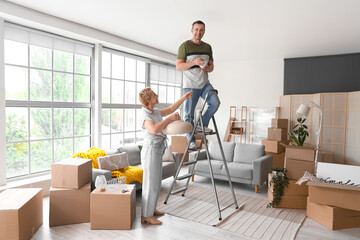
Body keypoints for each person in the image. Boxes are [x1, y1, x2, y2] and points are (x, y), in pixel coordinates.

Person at [139, 87, 193, 225]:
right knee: (150, 184)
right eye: (154, 95)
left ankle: (151, 209)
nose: (157, 95)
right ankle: (146, 215)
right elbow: (154, 129)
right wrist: (168, 119)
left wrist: (183, 98)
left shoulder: (155, 111)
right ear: (148, 100)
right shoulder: (145, 115)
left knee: (156, 182)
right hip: (150, 150)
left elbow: (170, 109)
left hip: (157, 149)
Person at [176, 20, 220, 149]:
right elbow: (179, 66)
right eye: (196, 29)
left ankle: (202, 124)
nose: (198, 32)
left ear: (204, 32)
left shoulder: (207, 47)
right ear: (192, 30)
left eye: (201, 30)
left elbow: (212, 67)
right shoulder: (185, 46)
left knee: (215, 102)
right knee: (189, 114)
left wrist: (207, 68)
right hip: (190, 84)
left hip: (205, 84)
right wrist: (194, 62)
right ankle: (191, 139)